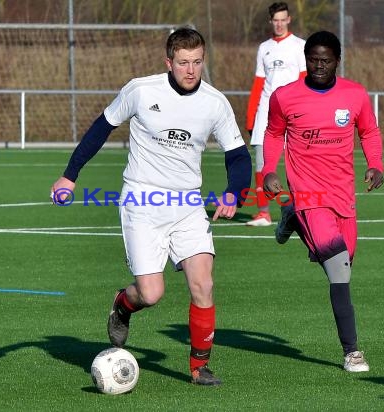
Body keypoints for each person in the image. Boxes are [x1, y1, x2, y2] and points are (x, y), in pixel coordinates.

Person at [50, 27, 251, 386]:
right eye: (183, 62)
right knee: (151, 294)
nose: (191, 70)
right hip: (142, 200)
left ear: (204, 60)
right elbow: (102, 127)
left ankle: (198, 365)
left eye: (197, 62)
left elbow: (237, 156)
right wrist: (70, 175)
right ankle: (123, 304)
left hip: (188, 203)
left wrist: (234, 192)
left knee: (203, 284)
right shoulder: (141, 91)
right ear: (169, 62)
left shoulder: (214, 102)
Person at [262, 30, 384, 372]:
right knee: (338, 270)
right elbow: (273, 134)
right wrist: (268, 171)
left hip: (342, 196)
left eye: (325, 60)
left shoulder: (355, 94)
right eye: (313, 59)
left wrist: (375, 164)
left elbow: (369, 132)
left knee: (346, 259)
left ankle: (289, 216)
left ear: (337, 61)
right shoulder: (285, 97)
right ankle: (352, 351)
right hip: (308, 193)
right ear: (305, 59)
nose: (318, 66)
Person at [245, 2, 306, 226]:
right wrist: (251, 116)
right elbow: (259, 83)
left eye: (283, 19)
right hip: (266, 114)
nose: (279, 24)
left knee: (297, 166)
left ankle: (300, 210)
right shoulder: (264, 48)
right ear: (271, 21)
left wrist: (303, 113)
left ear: (289, 20)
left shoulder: (300, 46)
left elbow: (304, 80)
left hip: (293, 114)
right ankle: (264, 213)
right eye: (275, 20)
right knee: (261, 165)